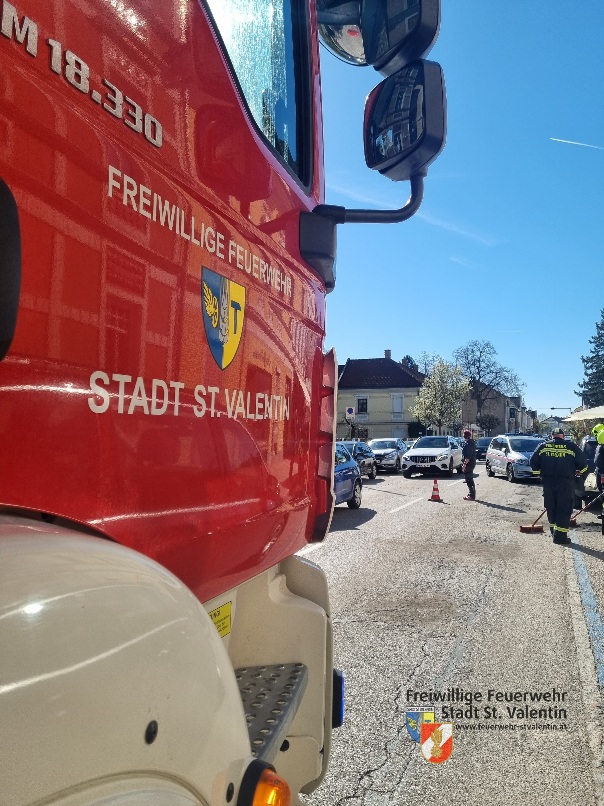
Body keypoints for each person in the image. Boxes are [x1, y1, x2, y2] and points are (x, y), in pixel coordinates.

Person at [530, 427, 588, 544]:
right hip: (565, 483)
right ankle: (560, 537)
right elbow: (584, 464)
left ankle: (554, 533)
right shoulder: (571, 447)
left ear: (552, 436)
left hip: (548, 482)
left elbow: (533, 461)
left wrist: (538, 474)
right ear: (563, 436)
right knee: (564, 508)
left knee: (551, 507)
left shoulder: (543, 446)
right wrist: (579, 473)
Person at [461, 429, 477, 501]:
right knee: (468, 479)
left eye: (464, 435)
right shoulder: (469, 443)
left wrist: (464, 464)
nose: (463, 437)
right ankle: (471, 494)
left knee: (469, 479)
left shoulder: (469, 444)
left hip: (469, 463)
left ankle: (472, 495)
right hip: (470, 463)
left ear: (466, 436)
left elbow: (468, 456)